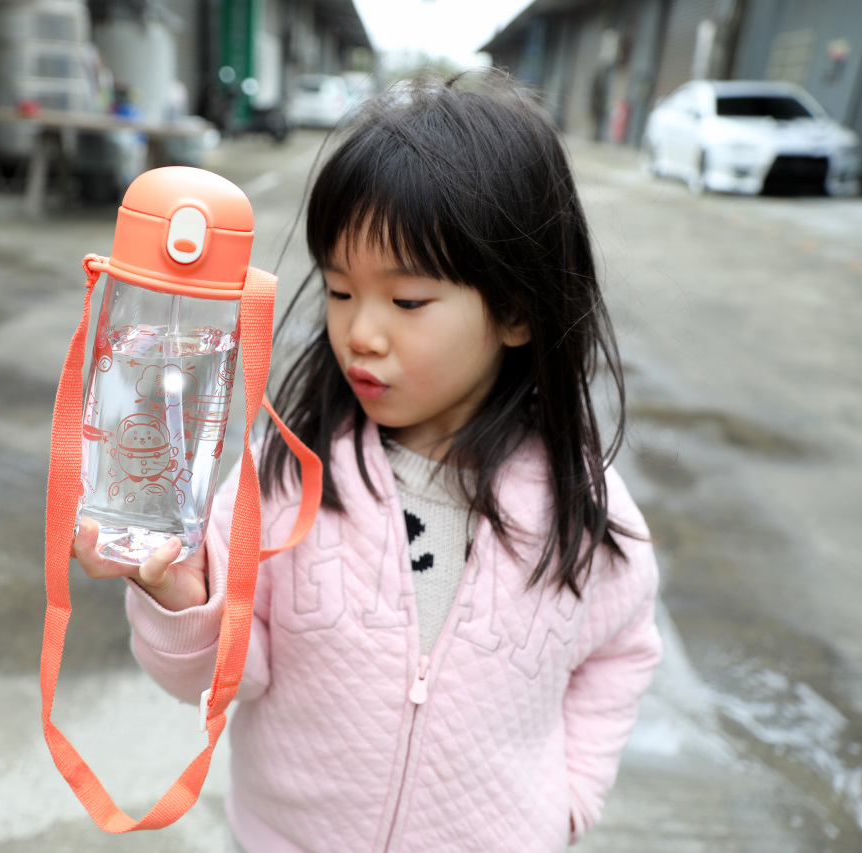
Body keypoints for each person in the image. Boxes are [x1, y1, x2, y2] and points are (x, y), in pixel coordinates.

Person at [71, 69, 663, 852]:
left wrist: (568, 799)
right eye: (341, 291)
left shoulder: (583, 511)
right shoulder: (282, 479)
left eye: (407, 301)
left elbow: (618, 655)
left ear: (518, 308)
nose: (360, 333)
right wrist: (182, 595)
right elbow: (226, 677)